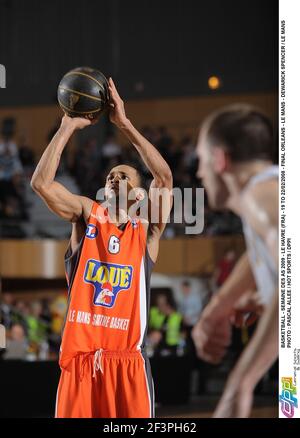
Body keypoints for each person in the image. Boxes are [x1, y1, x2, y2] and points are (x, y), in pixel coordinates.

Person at [31, 78, 173, 418]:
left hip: (127, 363)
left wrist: (124, 124)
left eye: (123, 176)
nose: (114, 178)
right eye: (110, 175)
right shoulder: (85, 214)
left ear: (139, 196)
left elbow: (164, 179)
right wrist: (66, 127)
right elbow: (41, 183)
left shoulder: (146, 232)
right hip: (80, 362)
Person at [192, 104, 278, 417]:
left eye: (201, 160)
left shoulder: (262, 197)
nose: (199, 172)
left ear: (219, 160)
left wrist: (241, 381)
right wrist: (221, 306)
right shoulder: (266, 195)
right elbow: (264, 259)